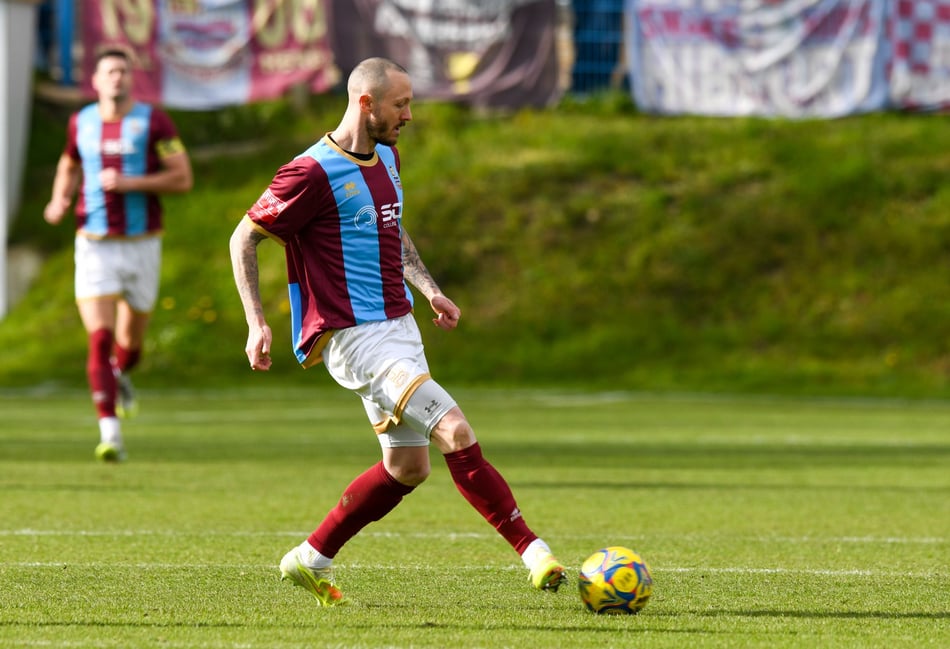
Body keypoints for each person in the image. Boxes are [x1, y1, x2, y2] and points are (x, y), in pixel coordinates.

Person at [229, 57, 566, 606]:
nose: (409, 114)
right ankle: (536, 553)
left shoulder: (386, 155)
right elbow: (244, 238)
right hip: (354, 338)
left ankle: (309, 558)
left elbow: (391, 226)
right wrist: (256, 321)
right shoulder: (309, 172)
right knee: (455, 430)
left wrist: (429, 288)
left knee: (407, 468)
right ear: (366, 103)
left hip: (400, 326)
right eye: (400, 104)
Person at [43, 47, 193, 462]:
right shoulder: (82, 122)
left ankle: (121, 374)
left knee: (131, 346)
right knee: (100, 337)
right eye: (108, 71)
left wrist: (130, 183)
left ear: (131, 79)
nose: (116, 78)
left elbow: (182, 178)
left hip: (142, 242)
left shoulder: (154, 121)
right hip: (94, 244)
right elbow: (69, 163)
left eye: (123, 72)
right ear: (95, 80)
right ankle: (111, 432)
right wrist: (60, 199)